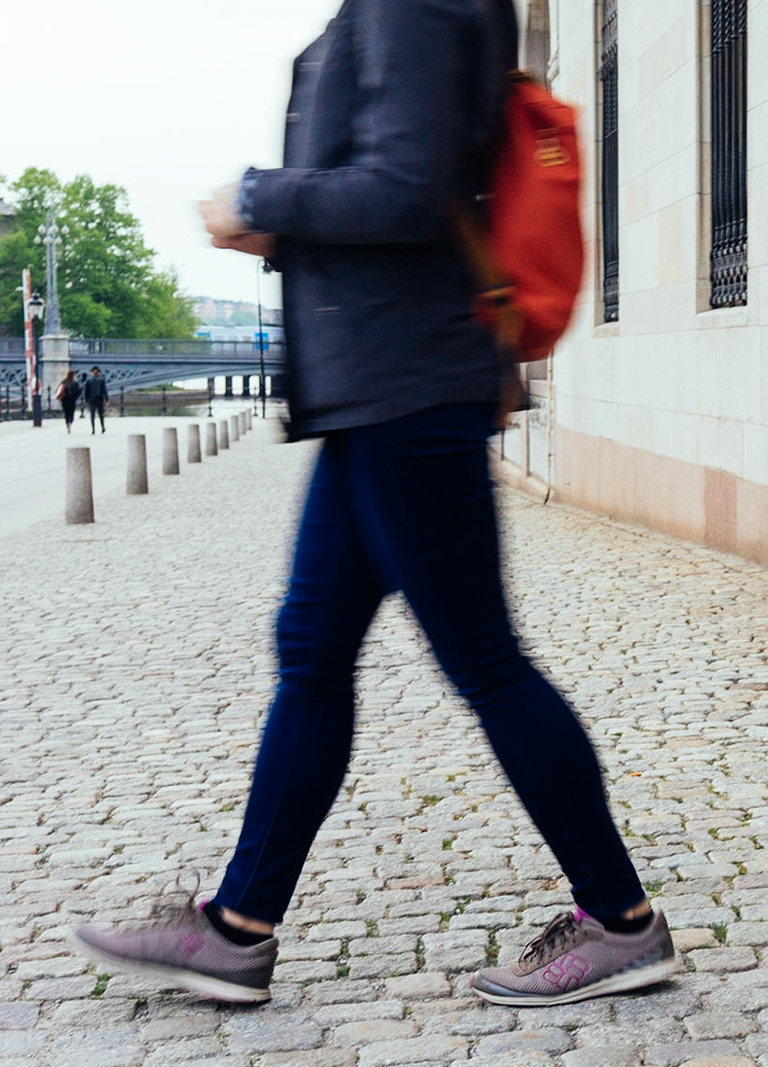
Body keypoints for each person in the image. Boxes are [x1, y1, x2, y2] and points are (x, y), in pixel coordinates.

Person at [69, 0, 674, 1008]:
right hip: (379, 389)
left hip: (407, 385)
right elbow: (406, 195)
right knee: (313, 648)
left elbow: (403, 187)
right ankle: (239, 927)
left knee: (483, 658)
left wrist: (261, 195)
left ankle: (622, 921)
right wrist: (283, 234)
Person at [83, 367, 108, 433]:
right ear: (98, 372)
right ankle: (102, 427)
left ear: (92, 372)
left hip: (91, 399)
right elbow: (104, 390)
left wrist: (86, 399)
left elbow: (86, 391)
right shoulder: (102, 380)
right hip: (99, 398)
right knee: (101, 414)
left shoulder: (89, 380)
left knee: (92, 414)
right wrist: (106, 399)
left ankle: (93, 429)